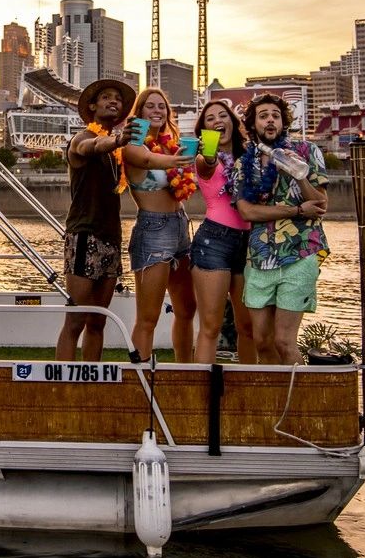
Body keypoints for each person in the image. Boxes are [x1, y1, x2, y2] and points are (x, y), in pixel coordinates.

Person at [233, 94, 329, 364]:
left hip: (298, 253)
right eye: (263, 115)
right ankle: (275, 403)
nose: (270, 120)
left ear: (283, 121)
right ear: (253, 124)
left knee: (284, 341)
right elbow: (247, 211)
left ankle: (299, 404)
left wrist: (297, 175)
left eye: (275, 115)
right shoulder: (245, 163)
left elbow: (320, 205)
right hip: (260, 256)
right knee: (262, 340)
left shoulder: (307, 152)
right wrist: (298, 210)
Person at [56, 77, 135, 362]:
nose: (113, 101)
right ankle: (62, 386)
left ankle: (89, 382)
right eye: (106, 97)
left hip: (111, 237)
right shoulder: (82, 137)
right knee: (76, 319)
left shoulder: (117, 153)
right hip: (84, 235)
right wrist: (117, 140)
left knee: (98, 321)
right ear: (92, 106)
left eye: (118, 98)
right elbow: (89, 148)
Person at [120, 87, 196, 362]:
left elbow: (188, 172)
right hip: (153, 230)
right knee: (148, 317)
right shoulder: (132, 146)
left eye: (161, 106)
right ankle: (140, 381)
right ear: (139, 113)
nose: (156, 110)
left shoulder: (171, 145)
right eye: (149, 106)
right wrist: (179, 160)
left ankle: (184, 372)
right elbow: (148, 160)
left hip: (179, 227)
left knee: (187, 309)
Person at [189, 98, 256, 364]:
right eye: (210, 118)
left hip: (250, 243)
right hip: (213, 243)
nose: (218, 121)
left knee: (248, 326)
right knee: (211, 327)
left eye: (222, 116)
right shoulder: (204, 158)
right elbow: (206, 166)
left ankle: (250, 391)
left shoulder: (250, 157)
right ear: (204, 129)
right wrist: (209, 153)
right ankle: (200, 397)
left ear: (232, 121)